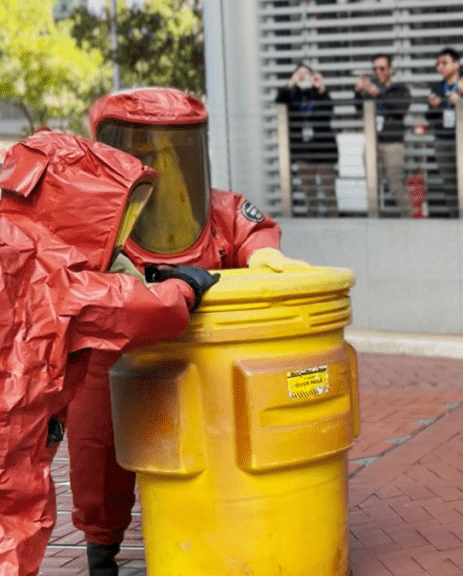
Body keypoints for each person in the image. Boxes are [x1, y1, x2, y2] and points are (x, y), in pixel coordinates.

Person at [68, 87, 306, 576]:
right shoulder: (93, 220)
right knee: (96, 447)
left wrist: (265, 256)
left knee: (209, 447)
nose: (159, 163)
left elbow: (250, 229)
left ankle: (209, 536)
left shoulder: (216, 210)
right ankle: (101, 551)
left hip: (193, 358)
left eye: (172, 149)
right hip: (111, 353)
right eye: (145, 148)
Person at [0, 130, 218, 576]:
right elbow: (138, 310)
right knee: (13, 529)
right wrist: (185, 287)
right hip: (11, 441)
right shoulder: (50, 268)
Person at [276, 63, 338, 216]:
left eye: (306, 74)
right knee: (309, 195)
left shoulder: (319, 93)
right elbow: (279, 101)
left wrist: (321, 88)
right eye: (299, 74)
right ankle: (312, 223)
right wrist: (290, 84)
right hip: (303, 152)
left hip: (323, 152)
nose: (303, 77)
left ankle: (335, 223)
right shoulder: (292, 94)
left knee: (329, 193)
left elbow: (329, 110)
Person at [354, 54, 413, 216]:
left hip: (392, 142)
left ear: (390, 70)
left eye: (381, 68)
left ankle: (410, 218)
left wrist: (377, 93)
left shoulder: (399, 89)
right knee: (371, 184)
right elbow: (358, 110)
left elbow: (401, 108)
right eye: (374, 69)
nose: (377, 72)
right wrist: (358, 92)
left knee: (395, 184)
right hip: (373, 141)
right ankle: (374, 219)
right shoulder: (370, 88)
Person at [426, 47, 463, 217]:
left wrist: (462, 99)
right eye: (438, 64)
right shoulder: (436, 87)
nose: (440, 67)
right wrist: (434, 107)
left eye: (444, 63)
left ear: (456, 64)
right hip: (442, 139)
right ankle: (454, 217)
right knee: (448, 183)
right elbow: (428, 116)